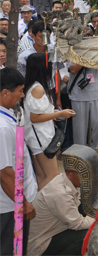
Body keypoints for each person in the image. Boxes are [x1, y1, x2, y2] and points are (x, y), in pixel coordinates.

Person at [23, 53, 75, 191]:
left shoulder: (34, 86)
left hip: (37, 138)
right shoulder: (38, 89)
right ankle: (39, 207)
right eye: (49, 64)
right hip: (41, 138)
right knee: (52, 176)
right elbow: (34, 117)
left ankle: (38, 209)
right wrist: (60, 113)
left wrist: (53, 114)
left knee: (42, 176)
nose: (52, 66)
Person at [0, 68, 38, 256]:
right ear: (5, 93)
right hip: (9, 207)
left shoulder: (6, 117)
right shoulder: (2, 128)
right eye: (20, 91)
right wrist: (21, 202)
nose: (22, 95)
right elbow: (5, 172)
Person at [27, 169, 94, 256]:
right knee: (90, 234)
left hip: (51, 231)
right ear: (69, 173)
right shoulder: (60, 193)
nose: (88, 178)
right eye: (83, 174)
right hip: (40, 244)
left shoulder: (65, 179)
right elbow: (77, 224)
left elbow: (84, 203)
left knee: (83, 208)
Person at [66, 60, 98, 147]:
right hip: (78, 96)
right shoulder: (74, 50)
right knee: (80, 130)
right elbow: (73, 69)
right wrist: (87, 56)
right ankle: (80, 156)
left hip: (96, 94)